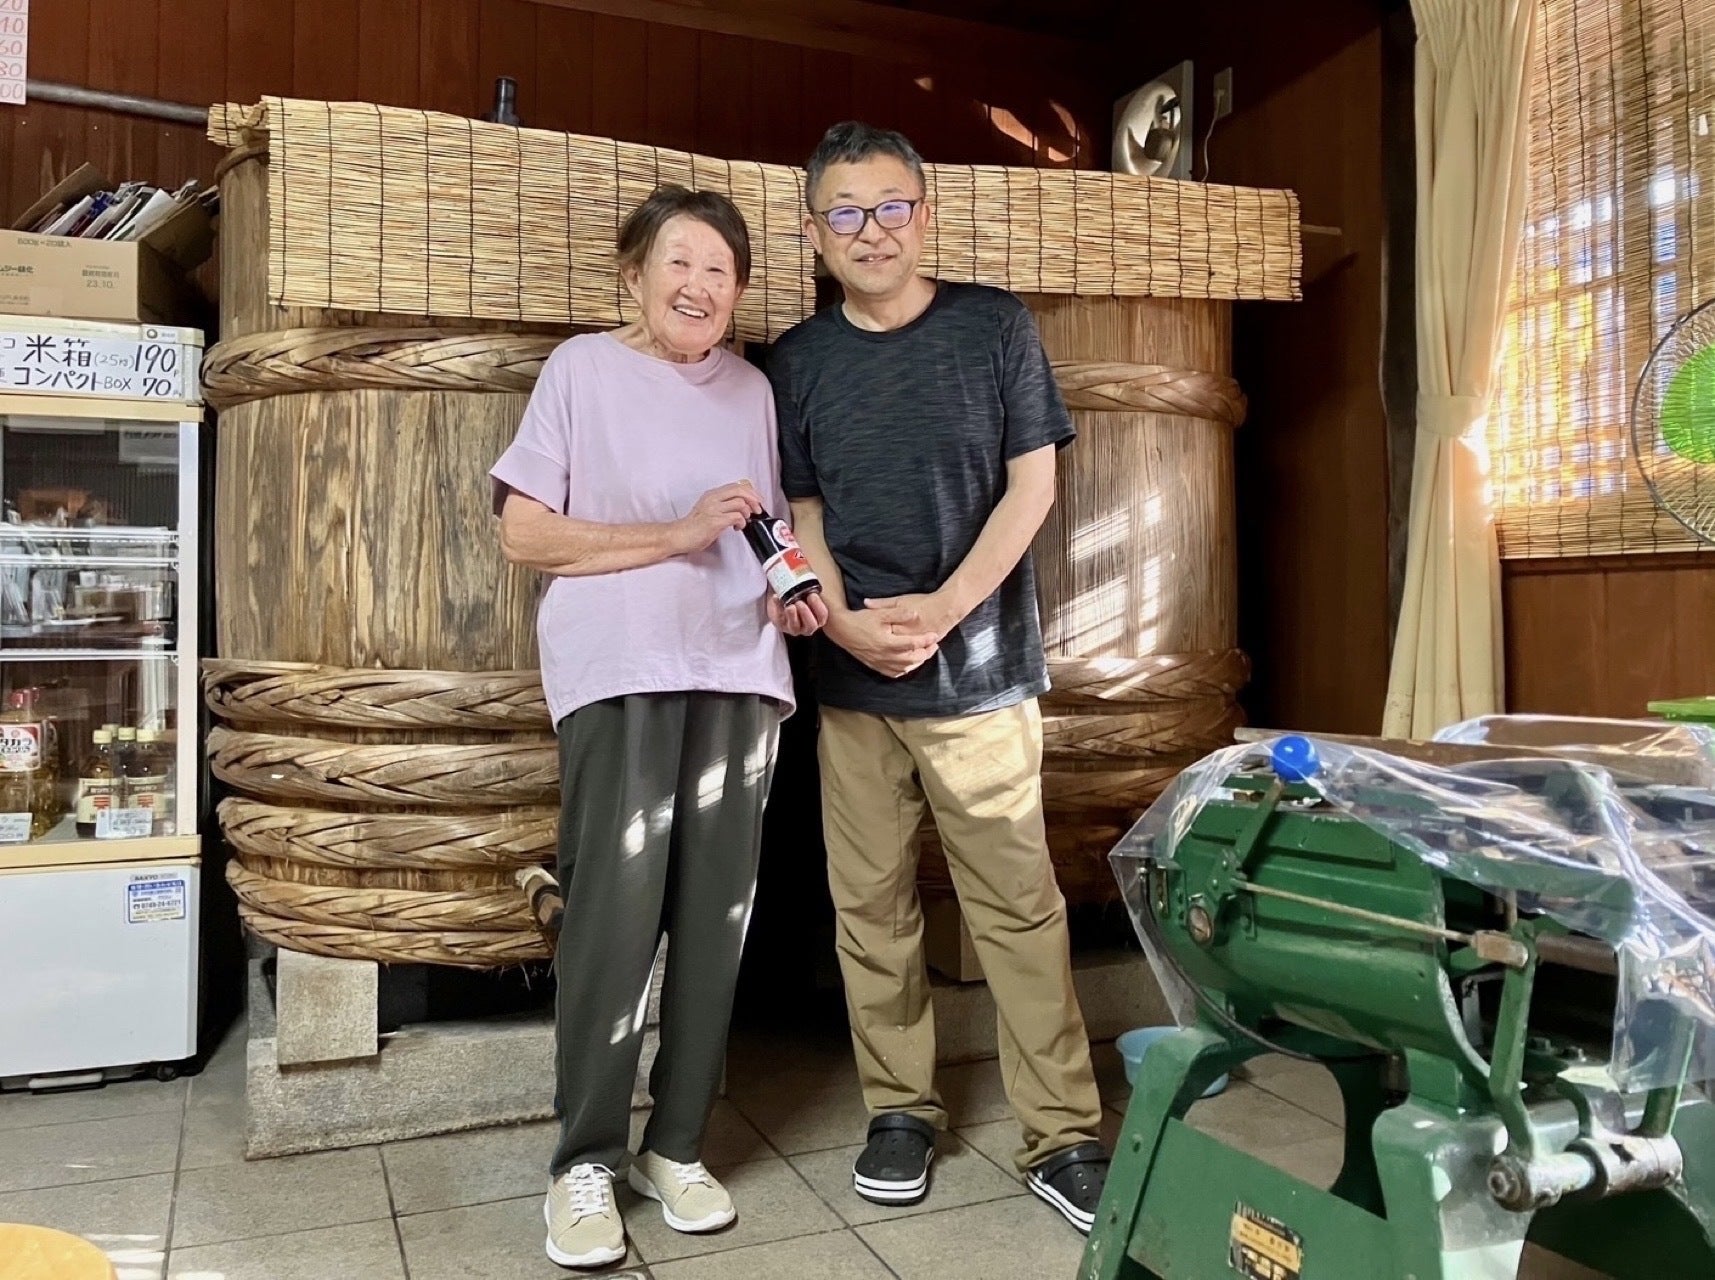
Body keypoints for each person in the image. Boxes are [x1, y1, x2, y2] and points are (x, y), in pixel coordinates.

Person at [766, 122, 1112, 1234]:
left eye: (890, 207)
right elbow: (803, 512)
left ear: (924, 215)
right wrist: (847, 626)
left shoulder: (993, 325)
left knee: (1017, 909)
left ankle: (1062, 1132)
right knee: (869, 909)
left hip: (981, 676)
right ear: (813, 233)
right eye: (845, 213)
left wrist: (945, 611)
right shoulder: (797, 361)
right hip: (854, 683)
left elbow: (1030, 487)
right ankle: (899, 1111)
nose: (870, 231)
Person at [493, 184, 828, 1270]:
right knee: (613, 913)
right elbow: (524, 534)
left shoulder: (751, 390)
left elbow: (765, 532)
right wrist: (677, 534)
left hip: (738, 670)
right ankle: (583, 1160)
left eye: (719, 270)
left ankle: (673, 1145)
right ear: (633, 275)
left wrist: (788, 591)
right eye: (678, 262)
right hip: (621, 667)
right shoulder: (581, 370)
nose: (698, 285)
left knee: (717, 916)